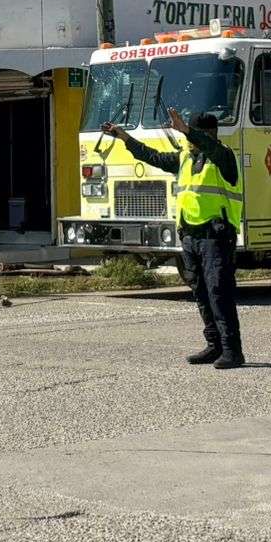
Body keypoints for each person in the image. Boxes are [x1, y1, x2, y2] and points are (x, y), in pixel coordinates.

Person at [102, 107, 244, 369]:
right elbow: (151, 156)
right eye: (186, 135)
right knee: (201, 293)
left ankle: (232, 351)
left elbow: (212, 148)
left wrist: (189, 131)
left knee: (218, 292)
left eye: (192, 135)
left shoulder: (223, 157)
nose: (187, 140)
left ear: (209, 134)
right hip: (190, 237)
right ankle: (214, 345)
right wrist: (124, 137)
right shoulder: (184, 159)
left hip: (215, 237)